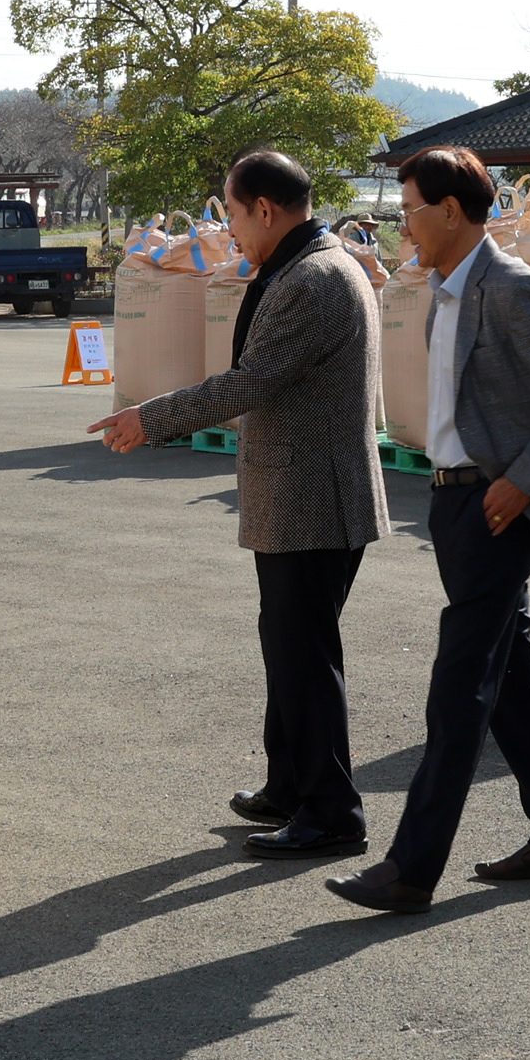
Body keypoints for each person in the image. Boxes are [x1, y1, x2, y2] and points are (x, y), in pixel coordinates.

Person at [325, 144, 530, 914]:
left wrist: (523, 479)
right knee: (512, 675)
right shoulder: (444, 287)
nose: (401, 225)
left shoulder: (511, 287)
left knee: (459, 688)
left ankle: (411, 867)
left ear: (450, 211)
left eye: (409, 210)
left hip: (497, 504)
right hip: (454, 501)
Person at [90, 151, 388, 856]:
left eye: (230, 212)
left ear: (265, 208)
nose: (228, 230)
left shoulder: (314, 277)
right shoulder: (312, 263)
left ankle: (330, 812)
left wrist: (152, 416)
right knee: (288, 647)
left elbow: (254, 380)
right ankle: (290, 784)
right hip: (307, 490)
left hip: (314, 494)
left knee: (304, 656)